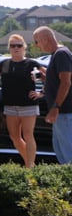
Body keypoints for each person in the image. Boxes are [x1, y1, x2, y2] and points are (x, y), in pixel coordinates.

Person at [0, 33, 43, 167]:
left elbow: (49, 77)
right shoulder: (4, 64)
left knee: (28, 135)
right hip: (10, 105)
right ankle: (31, 165)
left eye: (19, 45)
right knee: (15, 137)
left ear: (24, 47)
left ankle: (29, 167)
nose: (16, 48)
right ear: (9, 48)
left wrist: (41, 93)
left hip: (28, 105)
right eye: (13, 46)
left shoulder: (31, 64)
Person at [33, 26, 72, 164]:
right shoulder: (57, 54)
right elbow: (59, 81)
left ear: (46, 39)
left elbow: (66, 82)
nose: (36, 45)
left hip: (64, 112)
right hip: (61, 114)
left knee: (68, 154)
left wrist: (56, 107)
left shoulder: (61, 54)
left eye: (36, 41)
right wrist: (46, 78)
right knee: (61, 152)